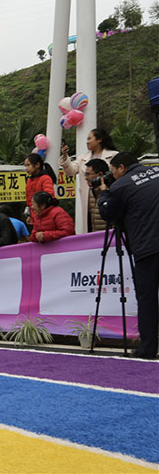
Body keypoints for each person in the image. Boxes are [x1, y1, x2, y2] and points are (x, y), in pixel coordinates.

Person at [97, 152, 159, 359]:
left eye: (112, 171)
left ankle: (148, 349)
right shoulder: (156, 171)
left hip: (147, 247)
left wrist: (104, 194)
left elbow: (108, 214)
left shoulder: (120, 186)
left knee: (148, 299)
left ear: (121, 168)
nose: (112, 175)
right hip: (149, 243)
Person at [59, 128, 118, 233]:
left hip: (108, 195)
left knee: (110, 222)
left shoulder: (114, 155)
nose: (87, 141)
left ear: (99, 139)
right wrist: (65, 156)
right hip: (89, 199)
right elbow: (71, 171)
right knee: (92, 225)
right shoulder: (82, 158)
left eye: (90, 138)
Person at [24, 154, 56, 225]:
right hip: (34, 216)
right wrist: (29, 215)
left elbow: (49, 196)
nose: (26, 168)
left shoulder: (45, 178)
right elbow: (28, 198)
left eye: (28, 165)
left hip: (45, 215)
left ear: (37, 165)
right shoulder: (29, 180)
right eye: (25, 166)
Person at [83, 158, 110, 232]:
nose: (86, 178)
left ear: (100, 174)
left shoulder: (111, 191)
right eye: (85, 174)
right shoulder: (91, 190)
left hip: (111, 238)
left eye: (88, 174)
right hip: (96, 238)